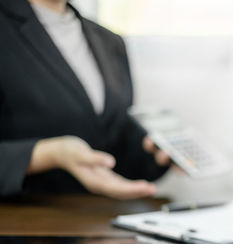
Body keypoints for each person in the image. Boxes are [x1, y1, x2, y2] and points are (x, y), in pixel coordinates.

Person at [0, 0, 170, 199]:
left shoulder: (109, 41)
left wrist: (155, 153)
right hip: (23, 221)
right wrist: (49, 154)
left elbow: (112, 146)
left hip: (98, 219)